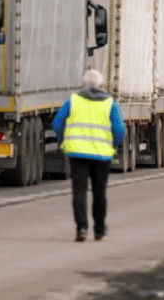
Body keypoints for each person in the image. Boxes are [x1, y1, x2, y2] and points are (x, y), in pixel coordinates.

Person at [53, 69, 125, 242]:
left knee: (79, 191)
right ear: (101, 85)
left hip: (78, 153)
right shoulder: (111, 103)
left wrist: (63, 141)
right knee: (99, 192)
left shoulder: (73, 101)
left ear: (83, 85)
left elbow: (57, 122)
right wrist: (113, 145)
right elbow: (120, 129)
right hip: (102, 156)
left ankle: (82, 228)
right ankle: (99, 230)